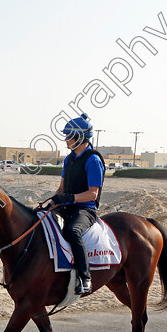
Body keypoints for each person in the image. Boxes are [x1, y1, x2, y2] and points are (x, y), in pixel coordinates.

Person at [49, 113, 105, 295]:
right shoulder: (68, 159)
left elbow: (92, 193)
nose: (65, 139)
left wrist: (70, 198)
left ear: (80, 137)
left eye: (68, 136)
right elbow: (61, 188)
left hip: (85, 209)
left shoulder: (93, 160)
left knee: (73, 231)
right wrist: (52, 202)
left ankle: (85, 277)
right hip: (67, 205)